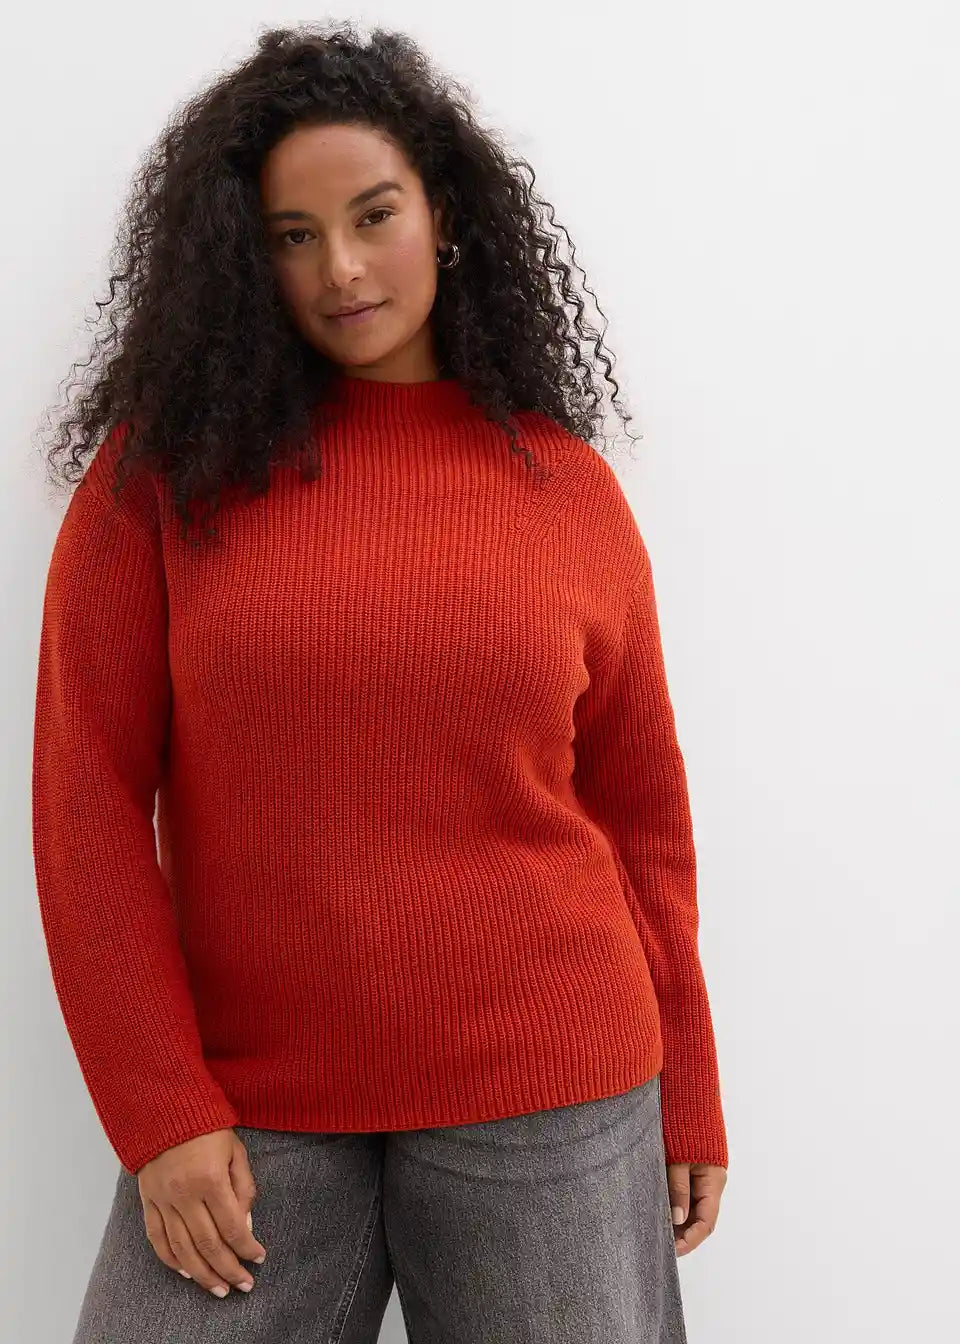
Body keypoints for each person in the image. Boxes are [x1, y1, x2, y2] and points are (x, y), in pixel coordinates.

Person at [32, 20, 728, 1344]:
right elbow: (87, 804)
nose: (341, 268)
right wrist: (157, 1109)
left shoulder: (562, 484)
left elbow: (643, 812)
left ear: (444, 212)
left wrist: (687, 1076)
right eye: (292, 236)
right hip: (250, 1108)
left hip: (551, 1089)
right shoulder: (162, 479)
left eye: (373, 214)